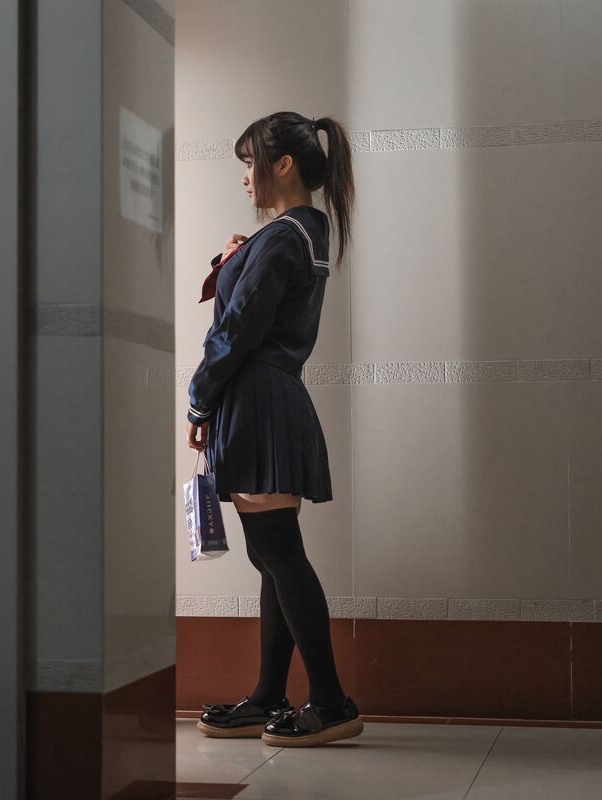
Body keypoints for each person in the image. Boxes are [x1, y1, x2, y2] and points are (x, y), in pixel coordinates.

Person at [186, 111, 362, 748]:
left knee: (279, 553)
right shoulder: (298, 232)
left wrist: (199, 400)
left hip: (257, 401)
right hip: (267, 398)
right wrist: (236, 259)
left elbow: (237, 331)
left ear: (282, 164)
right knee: (271, 555)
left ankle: (331, 702)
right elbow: (249, 311)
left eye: (249, 163)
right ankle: (268, 696)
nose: (245, 177)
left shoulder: (285, 237)